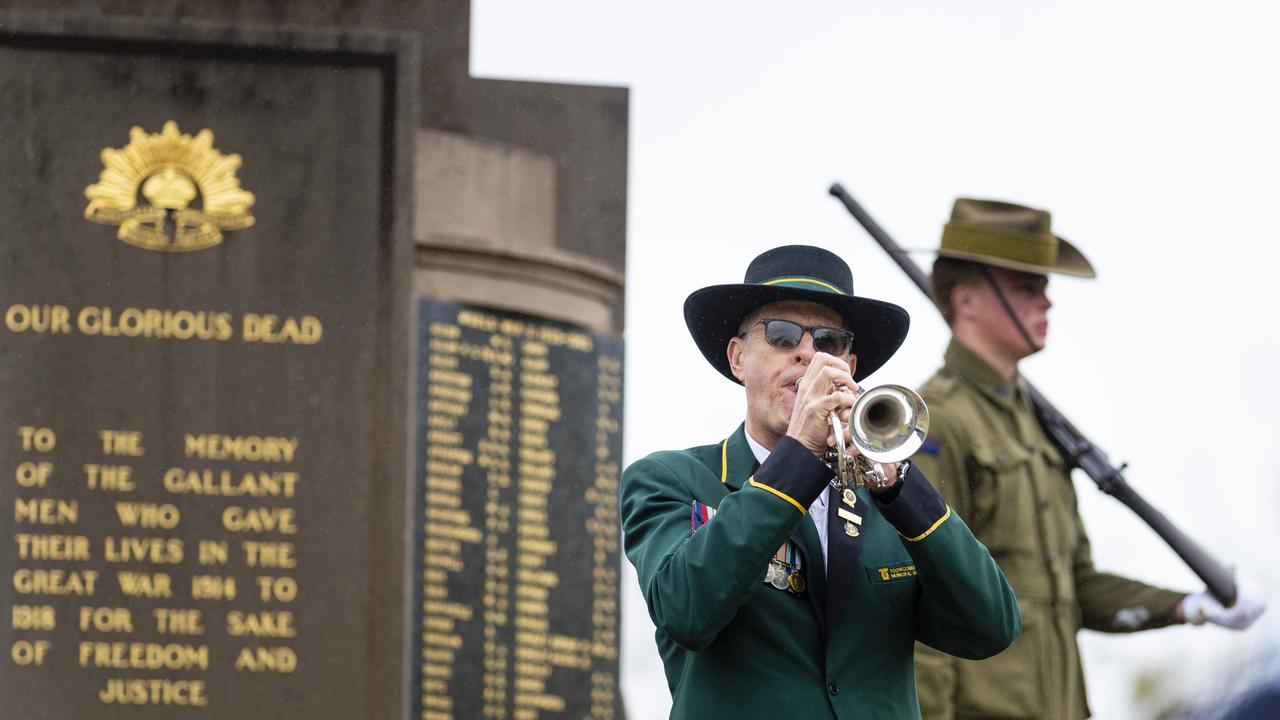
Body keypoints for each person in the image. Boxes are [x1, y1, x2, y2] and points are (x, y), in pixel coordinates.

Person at [621, 244, 1022, 719]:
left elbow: (991, 629)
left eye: (829, 341)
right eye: (783, 335)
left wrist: (900, 486)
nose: (808, 354)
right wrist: (800, 457)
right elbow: (686, 609)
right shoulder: (671, 479)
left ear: (849, 369)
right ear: (738, 358)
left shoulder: (889, 502)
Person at [912, 198, 1267, 719]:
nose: (1047, 304)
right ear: (966, 299)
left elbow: (1076, 586)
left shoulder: (1038, 426)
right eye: (1026, 288)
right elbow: (922, 601)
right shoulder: (938, 421)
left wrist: (1187, 607)